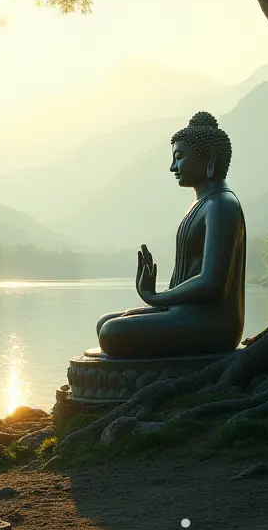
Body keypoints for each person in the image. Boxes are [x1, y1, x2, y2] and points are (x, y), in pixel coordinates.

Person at [96, 111, 246, 358]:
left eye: (179, 157)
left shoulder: (222, 205)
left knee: (112, 332)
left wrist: (156, 298)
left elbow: (213, 284)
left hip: (214, 325)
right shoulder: (203, 205)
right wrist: (161, 301)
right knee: (105, 323)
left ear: (207, 157)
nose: (173, 167)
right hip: (187, 312)